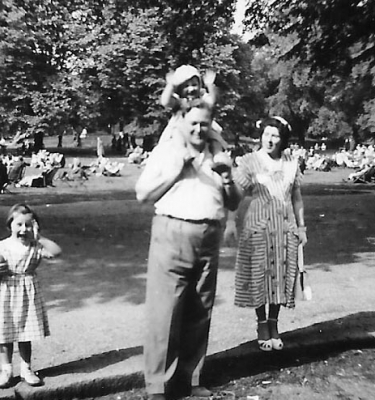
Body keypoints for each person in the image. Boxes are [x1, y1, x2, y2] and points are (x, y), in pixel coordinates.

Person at [136, 101, 241, 400]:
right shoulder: (168, 151)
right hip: (173, 232)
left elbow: (233, 201)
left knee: (200, 310)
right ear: (181, 123)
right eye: (193, 124)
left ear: (211, 125)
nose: (198, 129)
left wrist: (226, 176)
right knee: (165, 312)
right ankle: (157, 386)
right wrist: (178, 170)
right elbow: (142, 194)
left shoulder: (218, 153)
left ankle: (191, 379)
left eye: (204, 124)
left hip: (209, 235)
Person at [224, 116, 308, 352]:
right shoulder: (250, 161)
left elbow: (297, 198)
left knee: (281, 273)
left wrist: (301, 227)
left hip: (285, 226)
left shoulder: (291, 162)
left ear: (283, 140)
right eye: (267, 134)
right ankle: (262, 324)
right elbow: (235, 195)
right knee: (260, 274)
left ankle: (274, 323)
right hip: (259, 225)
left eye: (275, 136)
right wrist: (231, 222)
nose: (270, 140)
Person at [0, 204, 62, 388]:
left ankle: (26, 368)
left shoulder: (36, 246)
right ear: (10, 225)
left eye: (29, 225)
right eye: (19, 224)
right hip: (4, 292)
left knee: (25, 333)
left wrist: (39, 237)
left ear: (35, 227)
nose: (24, 229)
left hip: (26, 293)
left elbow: (56, 252)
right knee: (5, 333)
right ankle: (6, 370)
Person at [158, 64, 228, 151]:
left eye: (194, 85)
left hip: (200, 128)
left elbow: (212, 101)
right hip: (181, 130)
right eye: (186, 86)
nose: (191, 89)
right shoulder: (179, 101)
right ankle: (181, 155)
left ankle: (218, 157)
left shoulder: (202, 98)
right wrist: (171, 85)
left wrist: (210, 85)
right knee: (175, 138)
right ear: (179, 88)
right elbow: (165, 101)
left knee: (214, 137)